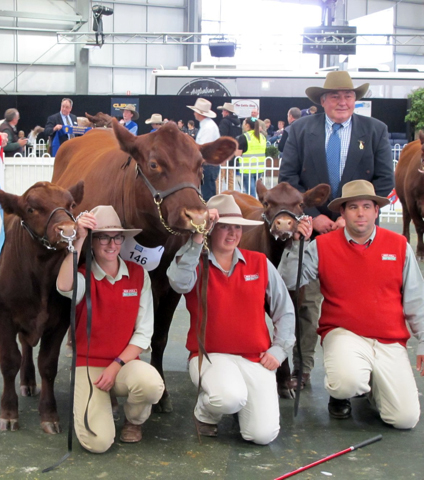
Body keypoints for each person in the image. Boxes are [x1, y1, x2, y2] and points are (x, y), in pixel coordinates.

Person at [278, 71, 394, 393]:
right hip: (311, 232)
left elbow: (385, 181)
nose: (343, 101)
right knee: (306, 302)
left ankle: (362, 369)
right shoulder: (299, 131)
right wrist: (313, 217)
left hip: (359, 231)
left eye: (349, 96)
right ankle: (303, 369)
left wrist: (349, 215)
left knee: (360, 299)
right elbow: (288, 179)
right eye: (336, 96)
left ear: (355, 100)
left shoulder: (375, 131)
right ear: (323, 101)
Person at [279, 180, 423, 427]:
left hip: (389, 339)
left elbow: (416, 297)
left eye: (367, 206)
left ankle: (373, 387)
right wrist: (295, 244)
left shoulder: (399, 245)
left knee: (405, 419)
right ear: (343, 213)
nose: (360, 213)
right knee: (346, 381)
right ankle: (345, 392)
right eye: (353, 207)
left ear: (376, 211)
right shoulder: (322, 245)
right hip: (344, 333)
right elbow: (287, 280)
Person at [167, 194, 295, 445]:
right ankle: (205, 413)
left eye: (237, 227)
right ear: (210, 230)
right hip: (210, 355)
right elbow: (179, 282)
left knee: (262, 435)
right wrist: (196, 238)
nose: (232, 233)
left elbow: (285, 310)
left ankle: (239, 404)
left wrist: (280, 350)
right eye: (223, 226)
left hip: (256, 357)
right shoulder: (195, 261)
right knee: (229, 397)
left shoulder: (259, 262)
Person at [56, 205, 164, 453]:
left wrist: (116, 365)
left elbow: (143, 333)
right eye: (103, 237)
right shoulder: (82, 275)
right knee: (98, 443)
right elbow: (64, 285)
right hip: (88, 365)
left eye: (117, 237)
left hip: (123, 363)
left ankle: (133, 421)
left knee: (150, 384)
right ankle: (99, 408)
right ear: (93, 242)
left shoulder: (138, 275)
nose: (111, 244)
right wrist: (79, 238)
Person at [187, 98, 220, 201]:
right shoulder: (207, 126)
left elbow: (204, 149)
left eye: (195, 111)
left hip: (208, 165)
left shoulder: (208, 127)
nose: (194, 113)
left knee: (208, 196)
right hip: (208, 165)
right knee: (206, 193)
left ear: (199, 113)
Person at [238, 117, 266, 198]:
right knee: (258, 192)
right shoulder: (262, 137)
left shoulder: (244, 137)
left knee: (251, 194)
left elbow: (238, 153)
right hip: (259, 168)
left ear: (247, 125)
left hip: (247, 169)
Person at [217, 102, 242, 190]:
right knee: (230, 177)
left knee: (220, 176)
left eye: (223, 111)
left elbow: (222, 136)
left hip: (224, 152)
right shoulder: (239, 123)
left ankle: (218, 195)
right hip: (234, 152)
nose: (222, 113)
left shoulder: (224, 122)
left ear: (226, 112)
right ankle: (231, 195)